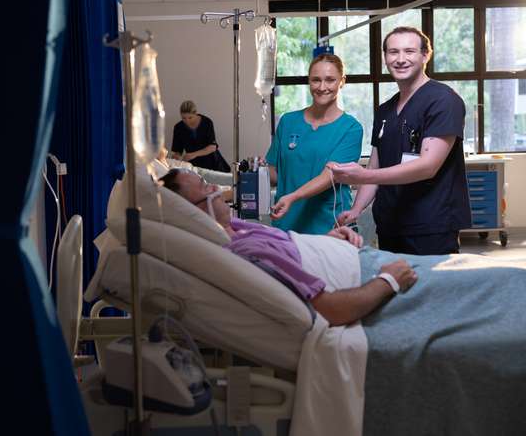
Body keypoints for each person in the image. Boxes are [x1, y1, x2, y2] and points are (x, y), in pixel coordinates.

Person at [158, 169, 418, 327]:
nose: (216, 189)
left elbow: (290, 249)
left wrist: (328, 241)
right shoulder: (246, 251)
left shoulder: (240, 227)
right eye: (206, 187)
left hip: (363, 258)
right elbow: (332, 310)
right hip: (373, 278)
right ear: (191, 212)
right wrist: (388, 281)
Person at [330, 27, 471, 255]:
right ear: (385, 57)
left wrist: (363, 175)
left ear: (425, 55)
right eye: (393, 52)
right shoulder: (385, 110)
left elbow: (428, 166)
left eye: (409, 51)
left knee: (430, 289)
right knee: (393, 287)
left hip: (431, 225)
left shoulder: (443, 100)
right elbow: (375, 166)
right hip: (390, 225)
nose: (401, 59)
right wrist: (356, 209)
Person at [264, 54, 363, 234]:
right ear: (309, 81)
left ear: (342, 81)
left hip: (329, 226)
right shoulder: (288, 121)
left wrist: (293, 196)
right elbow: (275, 173)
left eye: (330, 80)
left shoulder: (350, 128)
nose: (322, 87)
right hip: (286, 223)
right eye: (316, 80)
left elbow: (331, 176)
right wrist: (250, 176)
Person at [170, 100, 230, 172]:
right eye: (183, 118)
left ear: (195, 113)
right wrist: (177, 158)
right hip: (194, 165)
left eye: (190, 117)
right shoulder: (178, 127)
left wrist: (193, 154)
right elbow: (177, 151)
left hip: (212, 162)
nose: (187, 121)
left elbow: (212, 147)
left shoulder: (207, 122)